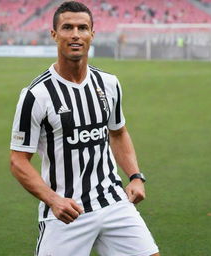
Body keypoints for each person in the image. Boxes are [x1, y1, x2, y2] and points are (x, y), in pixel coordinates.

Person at [10, 1, 160, 256]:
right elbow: (18, 161)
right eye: (67, 27)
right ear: (54, 34)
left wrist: (135, 176)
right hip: (66, 212)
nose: (76, 34)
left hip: (113, 202)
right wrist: (53, 200)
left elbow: (118, 132)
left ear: (93, 33)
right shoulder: (36, 95)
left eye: (83, 27)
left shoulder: (109, 83)